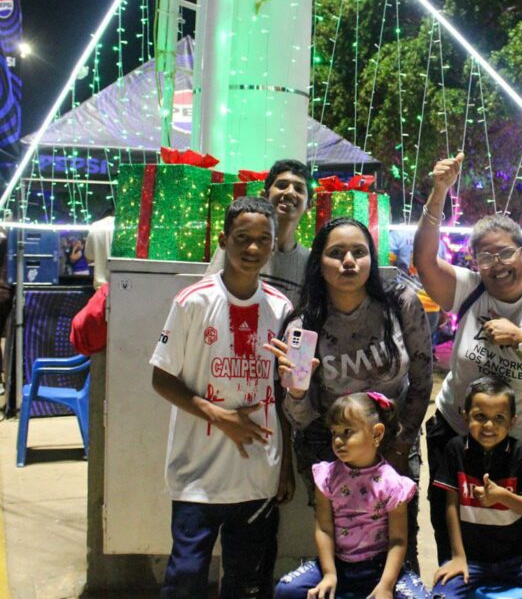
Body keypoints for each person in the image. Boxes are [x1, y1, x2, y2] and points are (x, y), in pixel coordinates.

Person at [413, 153, 522, 564]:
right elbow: (424, 260)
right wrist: (439, 192)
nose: (497, 265)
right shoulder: (470, 289)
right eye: (485, 258)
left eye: (505, 253)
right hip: (456, 439)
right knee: (455, 538)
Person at [150, 196, 294, 599]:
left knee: (246, 584)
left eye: (263, 239)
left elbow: (283, 393)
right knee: (185, 580)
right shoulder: (193, 301)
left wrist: (285, 465)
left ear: (273, 245)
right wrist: (219, 416)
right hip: (197, 475)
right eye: (242, 237)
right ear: (223, 239)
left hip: (258, 476)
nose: (252, 248)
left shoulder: (282, 308)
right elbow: (161, 378)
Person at [272, 217, 432, 567]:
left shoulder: (400, 303)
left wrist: (400, 445)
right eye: (336, 253)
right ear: (319, 262)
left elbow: (422, 381)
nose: (349, 261)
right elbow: (301, 418)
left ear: (371, 259)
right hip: (333, 450)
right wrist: (296, 392)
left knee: (401, 546)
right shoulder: (304, 326)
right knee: (343, 549)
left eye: (359, 252)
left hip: (396, 440)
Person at [431, 377, 522, 599]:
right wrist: (458, 557)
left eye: (499, 418)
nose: (489, 426)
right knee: (441, 595)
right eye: (480, 417)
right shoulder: (455, 450)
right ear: (465, 416)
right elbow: (450, 506)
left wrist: (502, 496)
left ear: (512, 421)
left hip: (517, 560)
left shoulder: (520, 453)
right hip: (471, 561)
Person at [274, 393, 429, 599]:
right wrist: (329, 574)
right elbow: (324, 528)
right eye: (334, 432)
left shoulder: (392, 484)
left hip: (380, 568)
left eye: (347, 432)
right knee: (286, 590)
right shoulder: (327, 476)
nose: (338, 440)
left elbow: (398, 540)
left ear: (377, 433)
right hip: (337, 564)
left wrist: (386, 585)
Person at [206, 159, 312, 307]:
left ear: (309, 205)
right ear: (264, 195)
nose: (289, 193)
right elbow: (208, 295)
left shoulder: (309, 262)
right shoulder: (237, 245)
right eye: (282, 186)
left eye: (299, 189)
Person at [84, 206, 114, 289]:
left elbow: (89, 257)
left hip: (101, 288)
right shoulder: (124, 228)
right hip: (123, 286)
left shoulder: (95, 226)